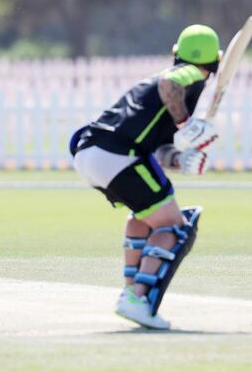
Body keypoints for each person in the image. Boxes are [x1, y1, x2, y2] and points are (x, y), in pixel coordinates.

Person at [69, 24, 221, 329]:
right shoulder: (191, 75)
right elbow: (169, 83)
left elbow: (158, 149)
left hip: (91, 152)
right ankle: (136, 298)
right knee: (174, 226)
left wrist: (182, 159)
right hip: (119, 152)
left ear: (176, 50)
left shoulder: (168, 91)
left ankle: (131, 292)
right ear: (213, 63)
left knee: (143, 217)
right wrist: (187, 123)